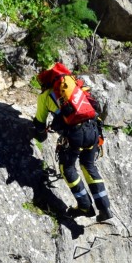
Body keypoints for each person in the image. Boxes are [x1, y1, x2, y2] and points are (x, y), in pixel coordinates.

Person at [33, 63, 114, 222]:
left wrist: (39, 135)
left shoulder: (45, 96)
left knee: (67, 168)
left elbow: (39, 124)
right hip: (94, 129)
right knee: (88, 165)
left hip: (76, 135)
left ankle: (85, 206)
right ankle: (104, 208)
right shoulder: (75, 86)